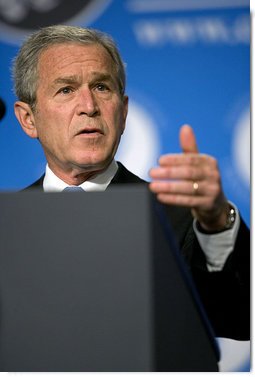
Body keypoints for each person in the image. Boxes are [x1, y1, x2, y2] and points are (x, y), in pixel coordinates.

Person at [13, 25, 249, 341]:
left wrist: (217, 223)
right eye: (66, 89)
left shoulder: (178, 218)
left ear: (123, 113)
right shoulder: (8, 226)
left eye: (101, 87)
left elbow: (239, 317)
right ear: (29, 119)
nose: (88, 106)